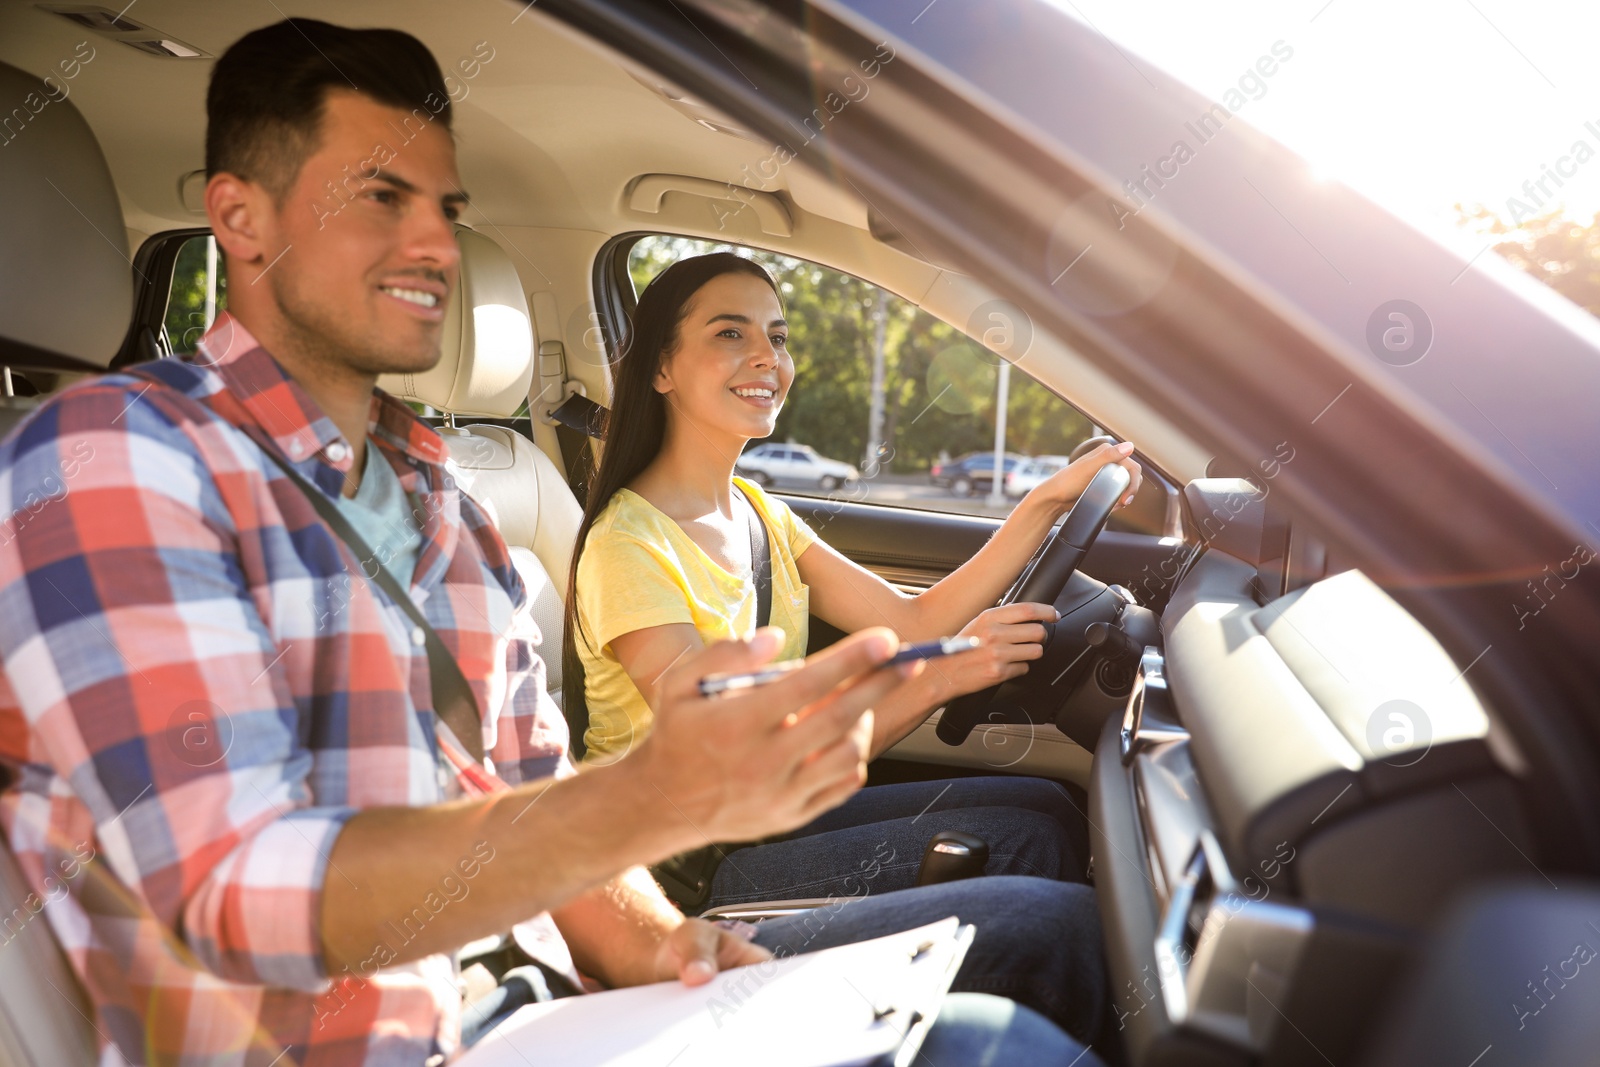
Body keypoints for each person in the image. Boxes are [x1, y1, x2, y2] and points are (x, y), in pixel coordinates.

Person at [0, 19, 1108, 1065]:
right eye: (381, 196)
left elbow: (537, 788)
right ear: (241, 220)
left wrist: (668, 946)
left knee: (1025, 969)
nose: (436, 241)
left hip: (535, 1014)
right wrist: (655, 799)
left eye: (448, 204)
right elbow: (242, 891)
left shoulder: (442, 507)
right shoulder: (110, 461)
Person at [565, 253, 1143, 909]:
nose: (766, 357)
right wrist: (951, 673)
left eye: (777, 337)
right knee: (1034, 864)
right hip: (674, 867)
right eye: (731, 333)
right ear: (661, 368)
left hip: (763, 819)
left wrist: (1044, 504)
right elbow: (733, 759)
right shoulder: (628, 545)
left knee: (1053, 808)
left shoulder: (761, 514)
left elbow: (913, 625)